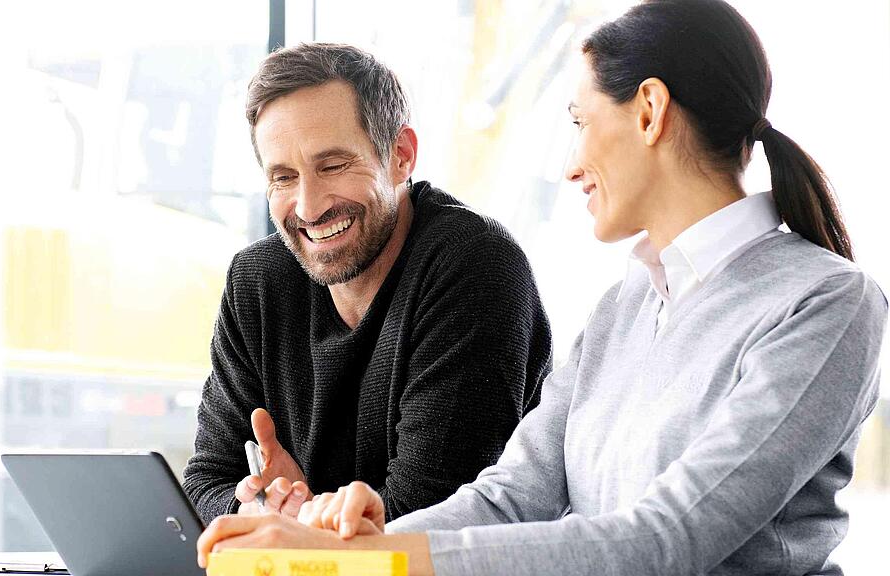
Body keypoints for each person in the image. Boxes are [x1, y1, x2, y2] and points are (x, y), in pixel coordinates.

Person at [194, 1, 889, 574]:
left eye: (580, 123)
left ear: (649, 111)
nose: (570, 164)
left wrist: (372, 561)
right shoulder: (627, 304)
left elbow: (666, 540)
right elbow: (509, 497)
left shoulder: (825, 303)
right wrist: (365, 541)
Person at [181, 43, 552, 524]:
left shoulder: (475, 266)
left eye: (332, 165)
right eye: (284, 177)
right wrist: (261, 508)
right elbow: (203, 484)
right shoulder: (258, 281)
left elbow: (432, 516)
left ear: (401, 155)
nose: (309, 207)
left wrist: (300, 520)